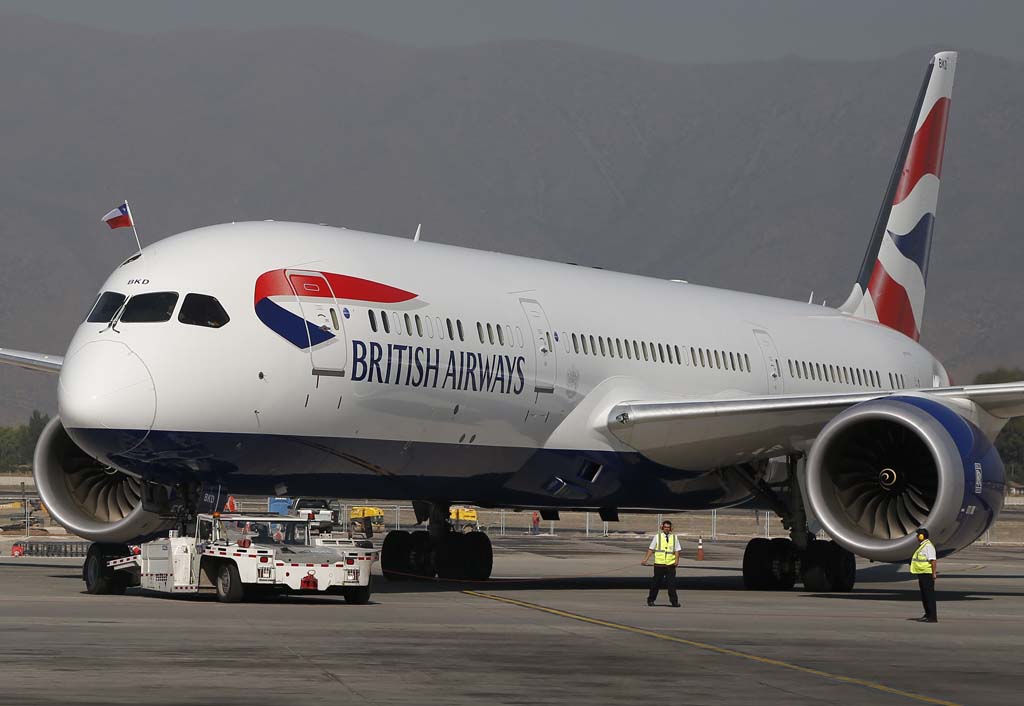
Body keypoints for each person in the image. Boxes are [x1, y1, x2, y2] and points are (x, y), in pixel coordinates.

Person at [643, 520, 681, 607]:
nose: (666, 529)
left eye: (668, 527)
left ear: (670, 528)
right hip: (659, 565)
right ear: (662, 528)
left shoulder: (674, 538)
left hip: (670, 565)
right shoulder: (657, 537)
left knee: (671, 584)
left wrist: (676, 561)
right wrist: (646, 559)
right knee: (656, 583)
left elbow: (677, 550)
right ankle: (651, 600)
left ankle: (674, 602)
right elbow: (651, 549)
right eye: (665, 527)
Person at [910, 527, 938, 623]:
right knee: (925, 596)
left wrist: (934, 573)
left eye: (918, 535)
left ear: (922, 536)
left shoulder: (928, 546)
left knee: (929, 596)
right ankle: (927, 614)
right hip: (922, 574)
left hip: (927, 574)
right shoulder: (923, 546)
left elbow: (933, 561)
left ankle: (932, 617)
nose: (917, 537)